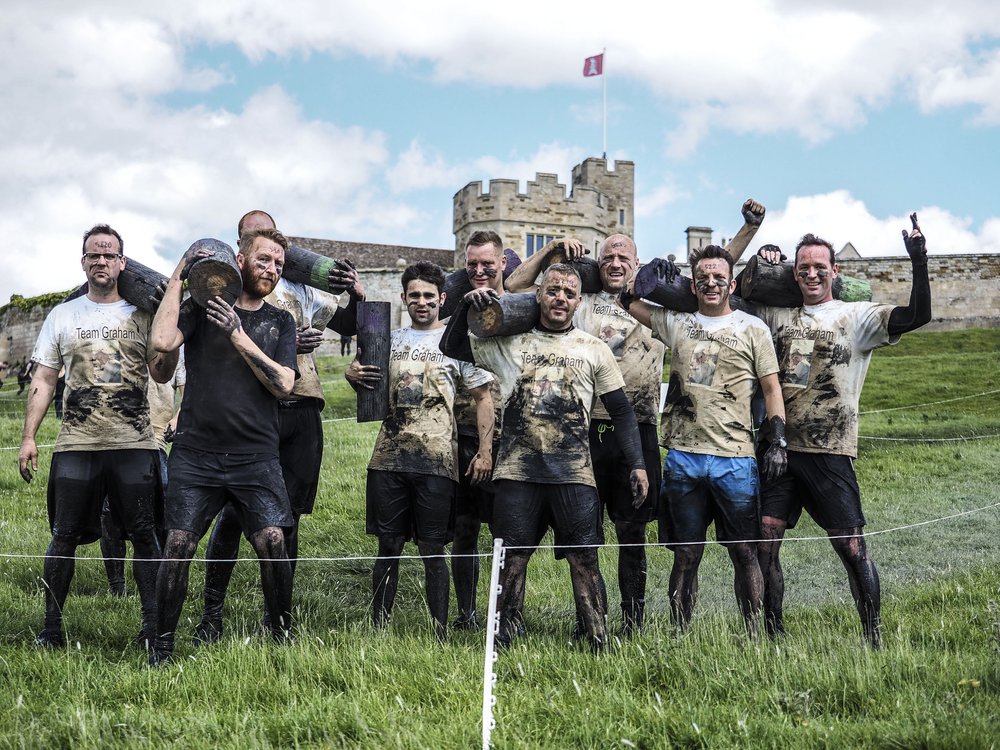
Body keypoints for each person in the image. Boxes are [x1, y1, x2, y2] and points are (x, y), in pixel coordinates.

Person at [442, 262, 649, 651]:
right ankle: (503, 634)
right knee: (512, 558)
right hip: (518, 471)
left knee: (585, 560)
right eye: (553, 290)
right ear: (539, 294)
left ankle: (597, 638)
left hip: (574, 474)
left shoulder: (593, 349)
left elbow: (621, 411)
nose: (560, 298)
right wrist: (463, 308)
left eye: (569, 293)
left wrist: (637, 464)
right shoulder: (509, 342)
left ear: (578, 301)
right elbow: (451, 347)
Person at [747, 215, 932, 646]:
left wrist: (918, 262)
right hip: (778, 450)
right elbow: (737, 292)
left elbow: (918, 315)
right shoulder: (775, 313)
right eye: (802, 267)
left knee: (851, 548)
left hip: (831, 450)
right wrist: (763, 254)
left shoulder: (857, 316)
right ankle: (772, 636)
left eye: (819, 267)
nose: (811, 273)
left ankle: (872, 636)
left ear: (834, 272)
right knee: (765, 546)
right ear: (794, 273)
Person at [192, 209, 364, 645]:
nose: (268, 259)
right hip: (252, 411)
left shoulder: (302, 285)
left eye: (275, 250)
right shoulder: (225, 289)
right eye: (255, 243)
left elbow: (348, 322)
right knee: (232, 512)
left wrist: (356, 295)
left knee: (289, 518)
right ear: (241, 248)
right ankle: (213, 612)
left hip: (300, 402)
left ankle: (279, 618)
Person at [19, 224, 179, 648]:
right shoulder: (64, 314)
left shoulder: (144, 314)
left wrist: (172, 344)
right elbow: (44, 379)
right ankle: (51, 630)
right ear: (84, 262)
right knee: (64, 535)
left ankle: (152, 628)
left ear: (123, 263)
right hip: (77, 443)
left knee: (145, 535)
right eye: (94, 255)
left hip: (136, 442)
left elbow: (162, 373)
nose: (101, 261)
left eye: (109, 255)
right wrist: (29, 437)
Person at [148, 227, 298, 666]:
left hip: (256, 456)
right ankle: (162, 647)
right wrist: (183, 268)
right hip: (196, 454)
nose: (271, 269)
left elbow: (285, 383)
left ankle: (280, 634)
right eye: (264, 260)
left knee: (272, 540)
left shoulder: (279, 321)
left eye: (278, 265)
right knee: (178, 544)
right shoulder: (199, 308)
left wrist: (236, 333)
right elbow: (161, 342)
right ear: (240, 259)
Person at [505, 234, 667, 635]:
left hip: (636, 425)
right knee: (582, 533)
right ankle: (588, 621)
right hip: (580, 430)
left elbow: (713, 286)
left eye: (623, 256)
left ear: (637, 262)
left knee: (632, 531)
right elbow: (514, 287)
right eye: (608, 256)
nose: (614, 262)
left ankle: (632, 621)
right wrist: (554, 250)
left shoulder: (659, 305)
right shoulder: (581, 298)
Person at [620, 245, 787, 635]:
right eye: (703, 278)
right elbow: (627, 301)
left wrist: (777, 437)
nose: (711, 283)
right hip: (683, 457)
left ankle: (751, 631)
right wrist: (652, 271)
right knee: (685, 554)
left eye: (718, 277)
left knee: (745, 552)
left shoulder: (752, 328)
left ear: (730, 283)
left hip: (736, 458)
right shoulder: (676, 322)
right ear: (693, 285)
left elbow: (772, 387)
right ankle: (680, 632)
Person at [348, 261, 494, 641]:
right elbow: (365, 384)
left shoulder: (455, 344)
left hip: (436, 464)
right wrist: (352, 375)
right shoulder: (387, 340)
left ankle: (440, 631)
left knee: (432, 549)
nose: (422, 302)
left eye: (430, 296)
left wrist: (484, 450)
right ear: (404, 299)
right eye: (415, 295)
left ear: (442, 299)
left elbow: (483, 396)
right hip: (389, 458)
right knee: (388, 546)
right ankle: (379, 627)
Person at [100, 350, 185, 596]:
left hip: (157, 442)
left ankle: (157, 579)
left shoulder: (175, 345)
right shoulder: (121, 337)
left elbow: (188, 394)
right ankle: (117, 587)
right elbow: (107, 392)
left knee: (162, 509)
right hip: (121, 442)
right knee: (109, 512)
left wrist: (178, 419)